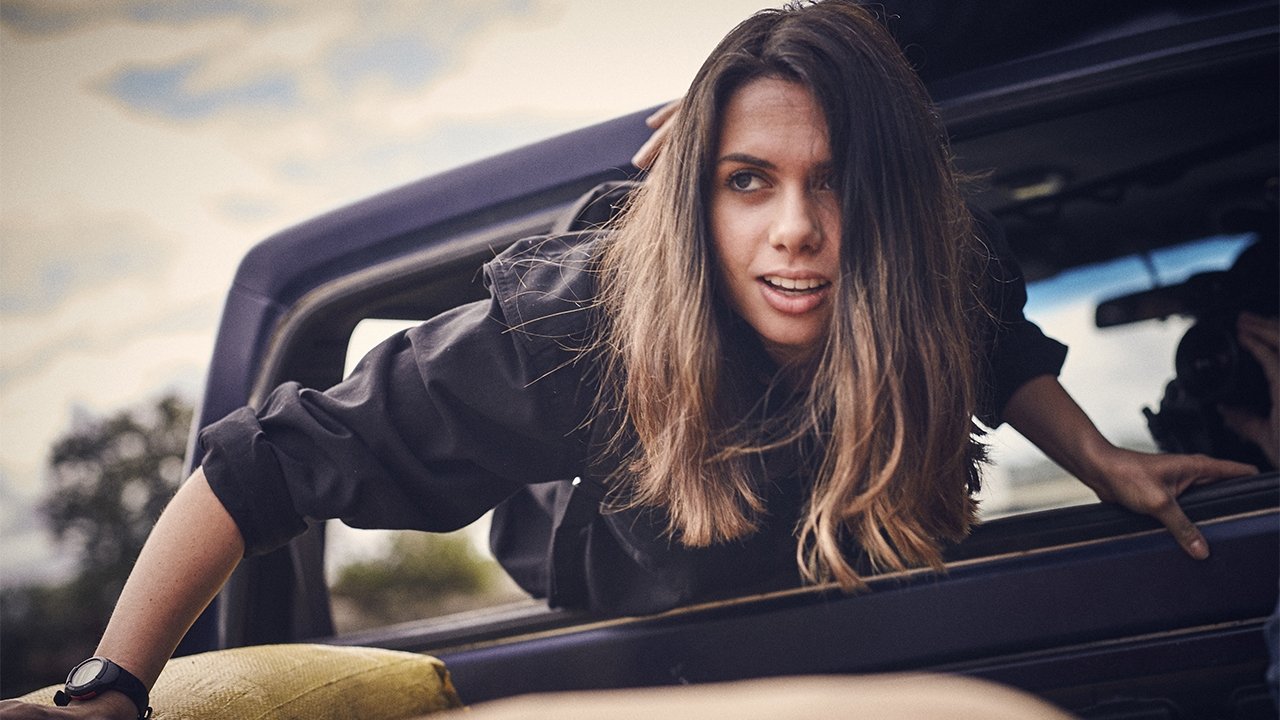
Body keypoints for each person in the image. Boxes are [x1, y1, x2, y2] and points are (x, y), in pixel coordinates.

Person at [1, 2, 1259, 718]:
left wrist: (1103, 462)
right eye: (746, 180)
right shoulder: (583, 324)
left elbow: (988, 339)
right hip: (627, 579)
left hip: (842, 579)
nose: (796, 228)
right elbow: (260, 464)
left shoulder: (929, 261)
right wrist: (109, 684)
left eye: (832, 182)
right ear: (695, 198)